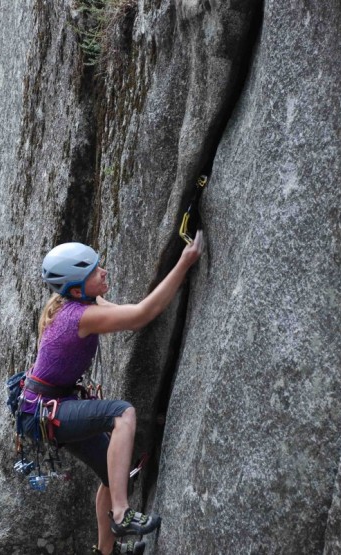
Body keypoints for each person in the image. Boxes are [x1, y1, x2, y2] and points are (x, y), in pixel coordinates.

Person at [19, 231, 203, 555]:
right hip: (51, 409)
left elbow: (127, 312)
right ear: (76, 288)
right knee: (123, 413)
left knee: (113, 474)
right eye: (94, 271)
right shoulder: (81, 315)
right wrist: (184, 262)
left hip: (47, 407)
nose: (103, 271)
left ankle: (107, 551)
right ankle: (121, 514)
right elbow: (141, 315)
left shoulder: (78, 301)